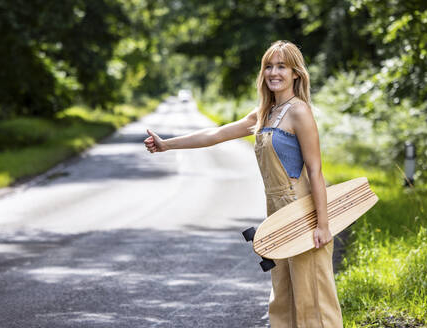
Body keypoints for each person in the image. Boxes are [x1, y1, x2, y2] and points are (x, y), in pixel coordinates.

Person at [143, 40, 343, 328]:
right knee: (283, 295)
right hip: (275, 210)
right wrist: (167, 145)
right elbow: (215, 134)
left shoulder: (299, 112)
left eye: (281, 67)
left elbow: (315, 170)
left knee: (313, 295)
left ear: (296, 73)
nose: (274, 73)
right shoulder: (264, 112)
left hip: (302, 211)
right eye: (269, 67)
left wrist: (322, 225)